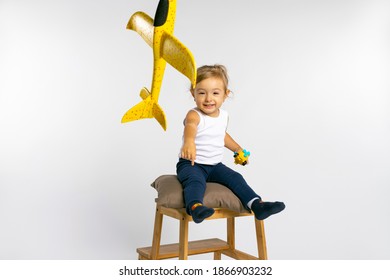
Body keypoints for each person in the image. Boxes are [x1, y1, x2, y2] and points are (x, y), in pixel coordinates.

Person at [176, 64, 285, 223]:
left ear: (225, 95)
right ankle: (196, 207)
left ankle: (256, 204)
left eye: (215, 93)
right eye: (201, 93)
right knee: (195, 182)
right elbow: (190, 126)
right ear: (193, 94)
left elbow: (222, 135)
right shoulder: (194, 114)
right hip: (191, 164)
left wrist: (237, 149)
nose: (208, 98)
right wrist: (189, 142)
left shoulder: (223, 116)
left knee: (235, 177)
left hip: (214, 166)